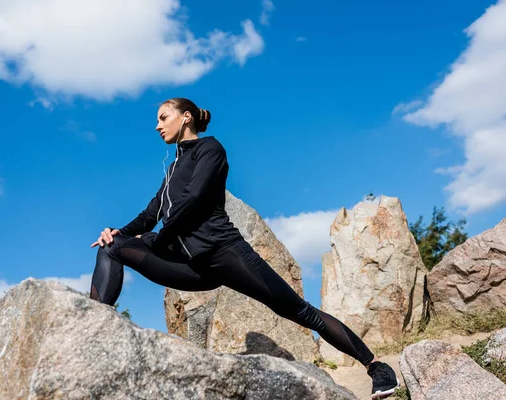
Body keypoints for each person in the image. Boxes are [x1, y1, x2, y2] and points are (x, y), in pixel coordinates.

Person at [90, 98, 400, 399]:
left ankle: (376, 367)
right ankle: (93, 331)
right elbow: (150, 214)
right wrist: (119, 232)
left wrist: (160, 238)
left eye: (163, 117)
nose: (157, 126)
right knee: (111, 247)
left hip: (225, 254)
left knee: (297, 310)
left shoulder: (210, 149)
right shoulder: (171, 169)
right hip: (189, 266)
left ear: (186, 117)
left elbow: (194, 198)